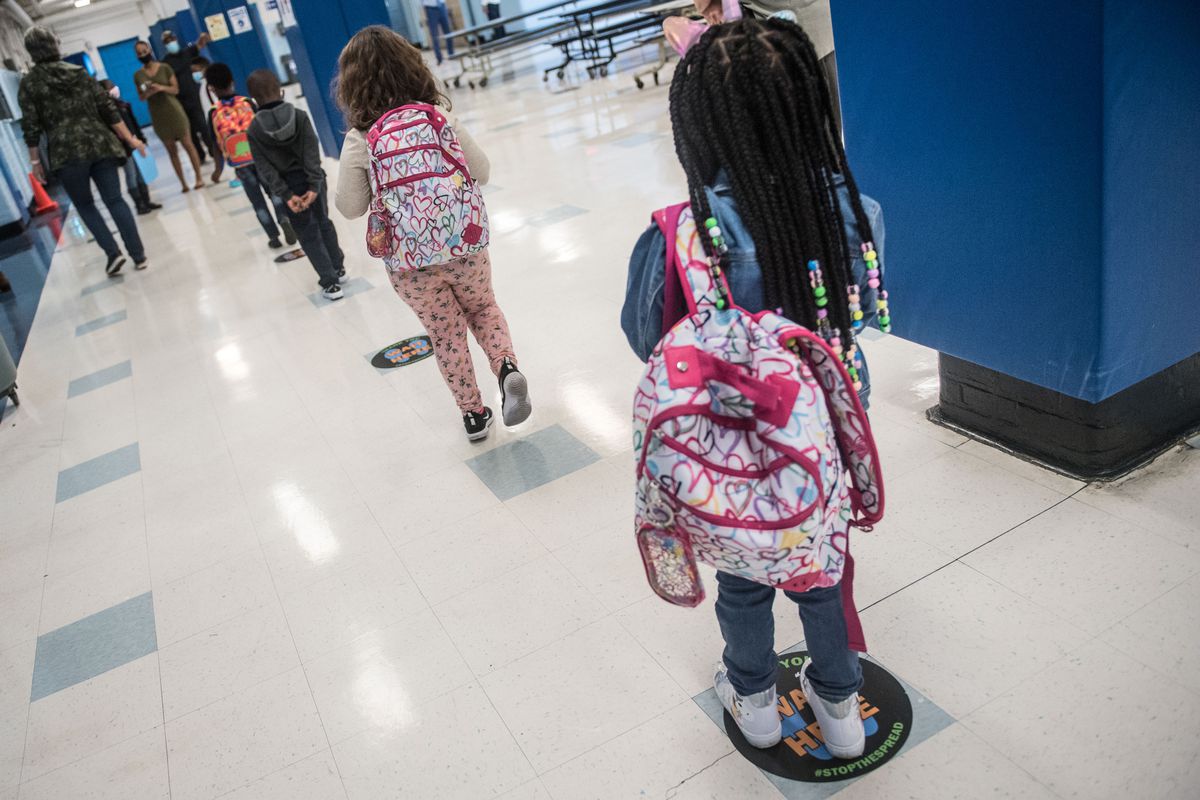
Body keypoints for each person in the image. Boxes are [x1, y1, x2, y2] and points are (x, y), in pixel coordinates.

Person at [622, 17, 890, 756]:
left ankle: (756, 700)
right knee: (820, 568)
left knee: (744, 576)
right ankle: (840, 711)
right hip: (825, 440)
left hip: (726, 448)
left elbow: (643, 336)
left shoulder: (682, 233)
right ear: (808, 106)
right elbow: (863, 310)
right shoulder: (855, 213)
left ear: (696, 127)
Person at [333, 26, 531, 442]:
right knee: (483, 308)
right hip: (464, 243)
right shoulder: (437, 116)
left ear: (351, 84)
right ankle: (506, 367)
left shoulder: (361, 137)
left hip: (409, 261)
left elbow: (350, 208)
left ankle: (474, 416)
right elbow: (483, 171)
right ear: (411, 65)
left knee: (445, 333)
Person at [19, 27, 149, 275]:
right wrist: (131, 139)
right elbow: (107, 109)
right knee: (115, 199)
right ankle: (139, 255)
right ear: (54, 45)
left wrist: (35, 162)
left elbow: (31, 125)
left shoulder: (30, 83)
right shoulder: (78, 73)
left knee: (85, 205)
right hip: (100, 144)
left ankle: (113, 254)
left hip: (66, 153)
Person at [245, 69, 345, 300]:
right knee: (323, 222)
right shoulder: (300, 116)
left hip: (288, 188)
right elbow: (311, 151)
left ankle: (330, 283)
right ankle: (338, 268)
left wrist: (287, 194)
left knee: (306, 233)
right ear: (280, 90)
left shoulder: (254, 130)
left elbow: (264, 168)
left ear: (253, 100)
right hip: (313, 181)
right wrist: (313, 185)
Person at [205, 62, 296, 249]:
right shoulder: (247, 103)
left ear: (212, 89)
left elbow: (215, 143)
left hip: (241, 165)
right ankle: (283, 218)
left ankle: (272, 236)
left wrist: (217, 169)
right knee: (274, 193)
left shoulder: (214, 112)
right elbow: (263, 127)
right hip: (261, 158)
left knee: (257, 202)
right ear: (232, 81)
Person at [134, 40, 205, 193]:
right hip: (158, 115)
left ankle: (199, 177)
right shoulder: (138, 75)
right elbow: (140, 97)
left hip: (174, 110)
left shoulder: (165, 68)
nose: (142, 55)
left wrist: (161, 87)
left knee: (188, 144)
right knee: (171, 151)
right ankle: (183, 184)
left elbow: (175, 89)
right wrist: (148, 92)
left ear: (150, 50)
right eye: (139, 53)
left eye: (144, 51)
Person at [160, 29, 224, 182]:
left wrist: (203, 37)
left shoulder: (187, 53)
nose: (171, 42)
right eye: (167, 41)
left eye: (172, 39)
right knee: (190, 132)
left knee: (203, 126)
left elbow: (199, 45)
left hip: (195, 98)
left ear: (176, 38)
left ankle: (213, 152)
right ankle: (200, 156)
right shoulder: (166, 62)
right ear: (164, 44)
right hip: (180, 101)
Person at [98, 79, 162, 216]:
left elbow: (134, 124)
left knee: (141, 174)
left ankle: (146, 200)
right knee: (131, 174)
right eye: (110, 87)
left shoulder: (124, 105)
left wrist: (142, 139)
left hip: (136, 143)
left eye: (113, 85)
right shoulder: (106, 111)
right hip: (124, 149)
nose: (114, 88)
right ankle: (139, 204)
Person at [422, 0, 455, 65]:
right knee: (434, 35)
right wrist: (424, 15)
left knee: (448, 31)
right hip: (430, 8)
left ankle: (451, 54)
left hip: (442, 5)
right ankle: (439, 58)